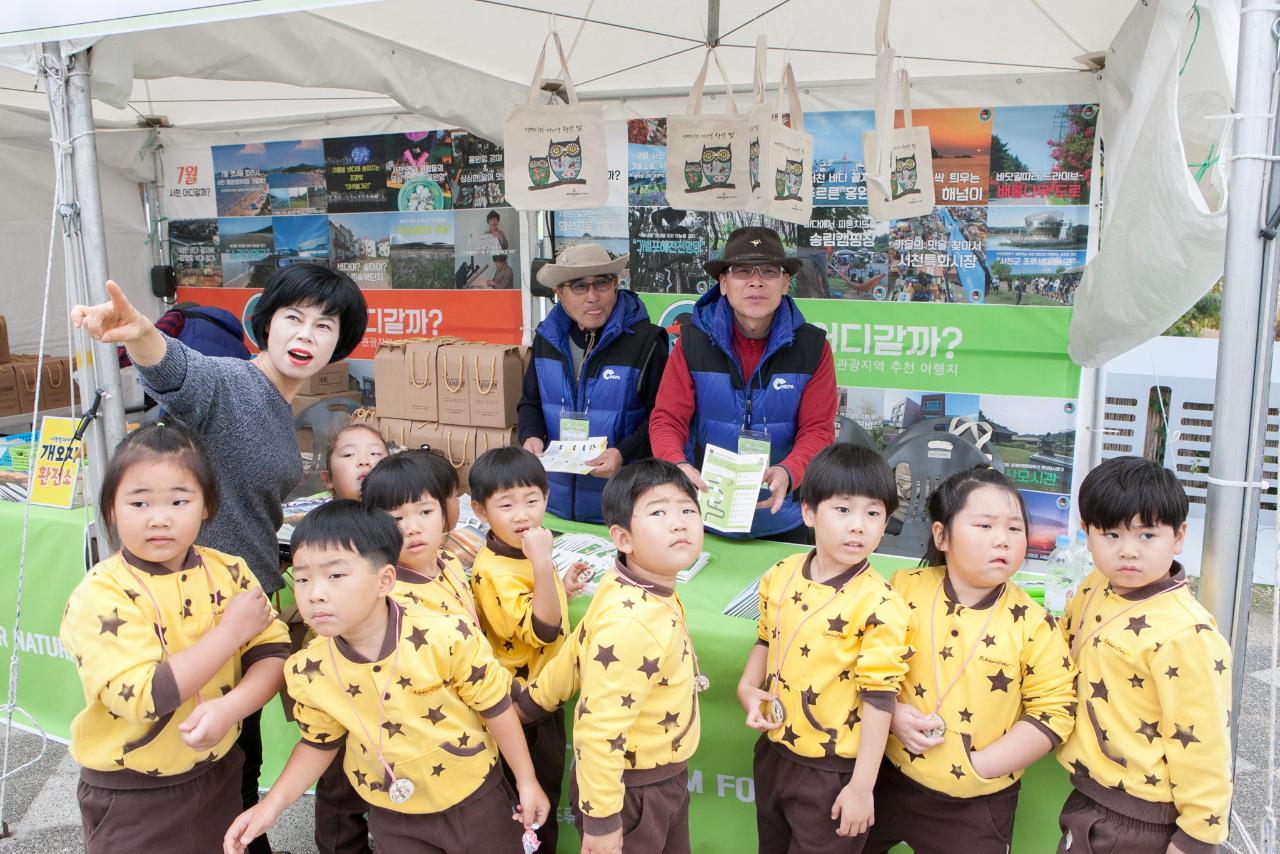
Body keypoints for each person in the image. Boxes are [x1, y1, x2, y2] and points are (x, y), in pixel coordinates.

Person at [72, 262, 368, 854]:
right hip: (189, 614)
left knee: (236, 765)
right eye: (293, 318)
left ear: (341, 341)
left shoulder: (282, 409)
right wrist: (140, 335)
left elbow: (252, 504)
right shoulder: (234, 383)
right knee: (189, 764)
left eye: (325, 325)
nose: (307, 335)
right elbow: (182, 372)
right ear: (264, 322)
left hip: (244, 610)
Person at [223, 500, 550, 853]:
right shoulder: (308, 669)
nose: (314, 593)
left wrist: (527, 780)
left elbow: (497, 708)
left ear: (385, 580)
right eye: (302, 578)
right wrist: (271, 806)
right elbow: (318, 744)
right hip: (393, 814)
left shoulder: (446, 637)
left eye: (335, 575)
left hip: (475, 797)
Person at [60, 423, 289, 853]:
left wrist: (229, 708)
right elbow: (147, 696)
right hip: (132, 791)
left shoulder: (229, 570)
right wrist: (231, 633)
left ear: (206, 506)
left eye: (179, 501)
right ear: (111, 508)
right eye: (139, 502)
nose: (159, 518)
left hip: (218, 772)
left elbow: (274, 653)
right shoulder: (101, 594)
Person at [869, 466, 1076, 854]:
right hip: (887, 777)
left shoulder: (1034, 624)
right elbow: (867, 668)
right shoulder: (902, 589)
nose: (1002, 540)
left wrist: (978, 765)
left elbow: (1055, 712)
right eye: (984, 526)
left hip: (976, 805)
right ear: (941, 535)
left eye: (1014, 529)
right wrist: (892, 714)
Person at [516, 460, 705, 854]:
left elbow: (579, 649)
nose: (679, 522)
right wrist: (602, 824)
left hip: (658, 779)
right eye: (658, 512)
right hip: (632, 792)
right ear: (623, 538)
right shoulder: (631, 623)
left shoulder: (628, 582)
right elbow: (598, 729)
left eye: (688, 509)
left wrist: (531, 703)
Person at [736, 444, 910, 853]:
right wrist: (747, 687)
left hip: (836, 770)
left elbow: (881, 698)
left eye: (873, 513)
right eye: (843, 510)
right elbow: (766, 638)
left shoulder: (882, 603)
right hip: (775, 751)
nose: (858, 526)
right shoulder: (780, 573)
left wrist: (862, 787)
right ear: (809, 513)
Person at [1055, 457, 1232, 854]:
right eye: (1111, 535)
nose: (1129, 551)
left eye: (1147, 535)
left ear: (1179, 536)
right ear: (1086, 532)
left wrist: (1196, 840)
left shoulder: (1187, 634)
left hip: (1141, 821)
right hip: (1091, 794)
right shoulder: (1097, 583)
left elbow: (1204, 743)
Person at [649, 226, 836, 542]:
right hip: (703, 515)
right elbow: (667, 420)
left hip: (782, 518)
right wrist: (676, 465)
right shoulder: (692, 343)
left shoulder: (813, 347)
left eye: (768, 272)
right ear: (723, 283)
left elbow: (818, 430)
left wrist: (790, 471)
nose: (756, 282)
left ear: (785, 282)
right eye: (742, 272)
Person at [519, 243, 669, 523]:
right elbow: (530, 402)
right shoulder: (545, 339)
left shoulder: (646, 342)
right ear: (559, 293)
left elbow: (661, 419)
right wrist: (530, 436)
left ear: (615, 285)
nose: (592, 296)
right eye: (579, 286)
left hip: (623, 506)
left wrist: (622, 454)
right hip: (554, 505)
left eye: (601, 283)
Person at [467, 446, 570, 852]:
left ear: (547, 497)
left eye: (532, 500)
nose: (522, 514)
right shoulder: (495, 569)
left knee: (544, 793)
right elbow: (543, 629)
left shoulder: (520, 551)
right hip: (525, 704)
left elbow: (543, 602)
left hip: (543, 691)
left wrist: (563, 585)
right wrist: (544, 565)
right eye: (506, 504)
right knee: (532, 805)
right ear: (480, 511)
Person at [320, 423, 389, 501]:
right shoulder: (311, 511)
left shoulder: (402, 509)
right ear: (328, 479)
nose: (364, 461)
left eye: (375, 453)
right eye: (349, 454)